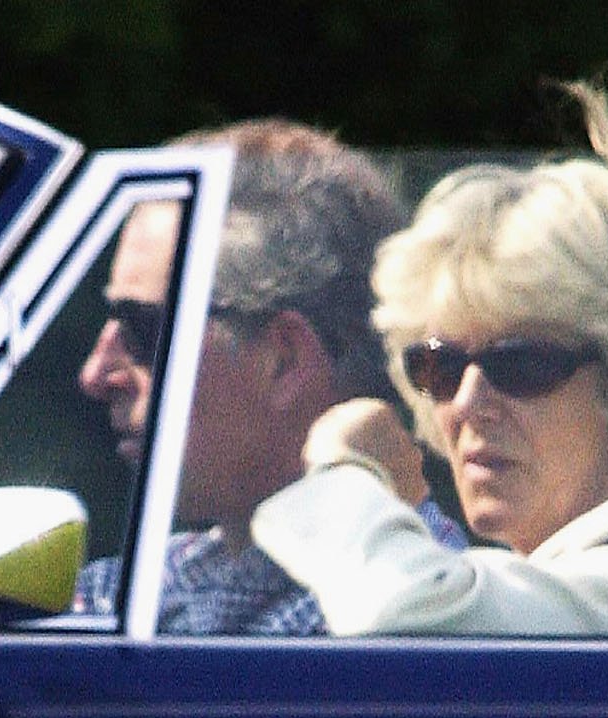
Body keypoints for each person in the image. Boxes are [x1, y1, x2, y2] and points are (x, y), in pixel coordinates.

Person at [252, 83, 608, 639]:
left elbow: (409, 625)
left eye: (522, 365)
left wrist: (342, 471)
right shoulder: (587, 566)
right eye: (438, 367)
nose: (466, 404)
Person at [67, 123, 426, 636]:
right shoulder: (151, 582)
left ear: (282, 360)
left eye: (147, 330)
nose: (96, 375)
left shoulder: (399, 623)